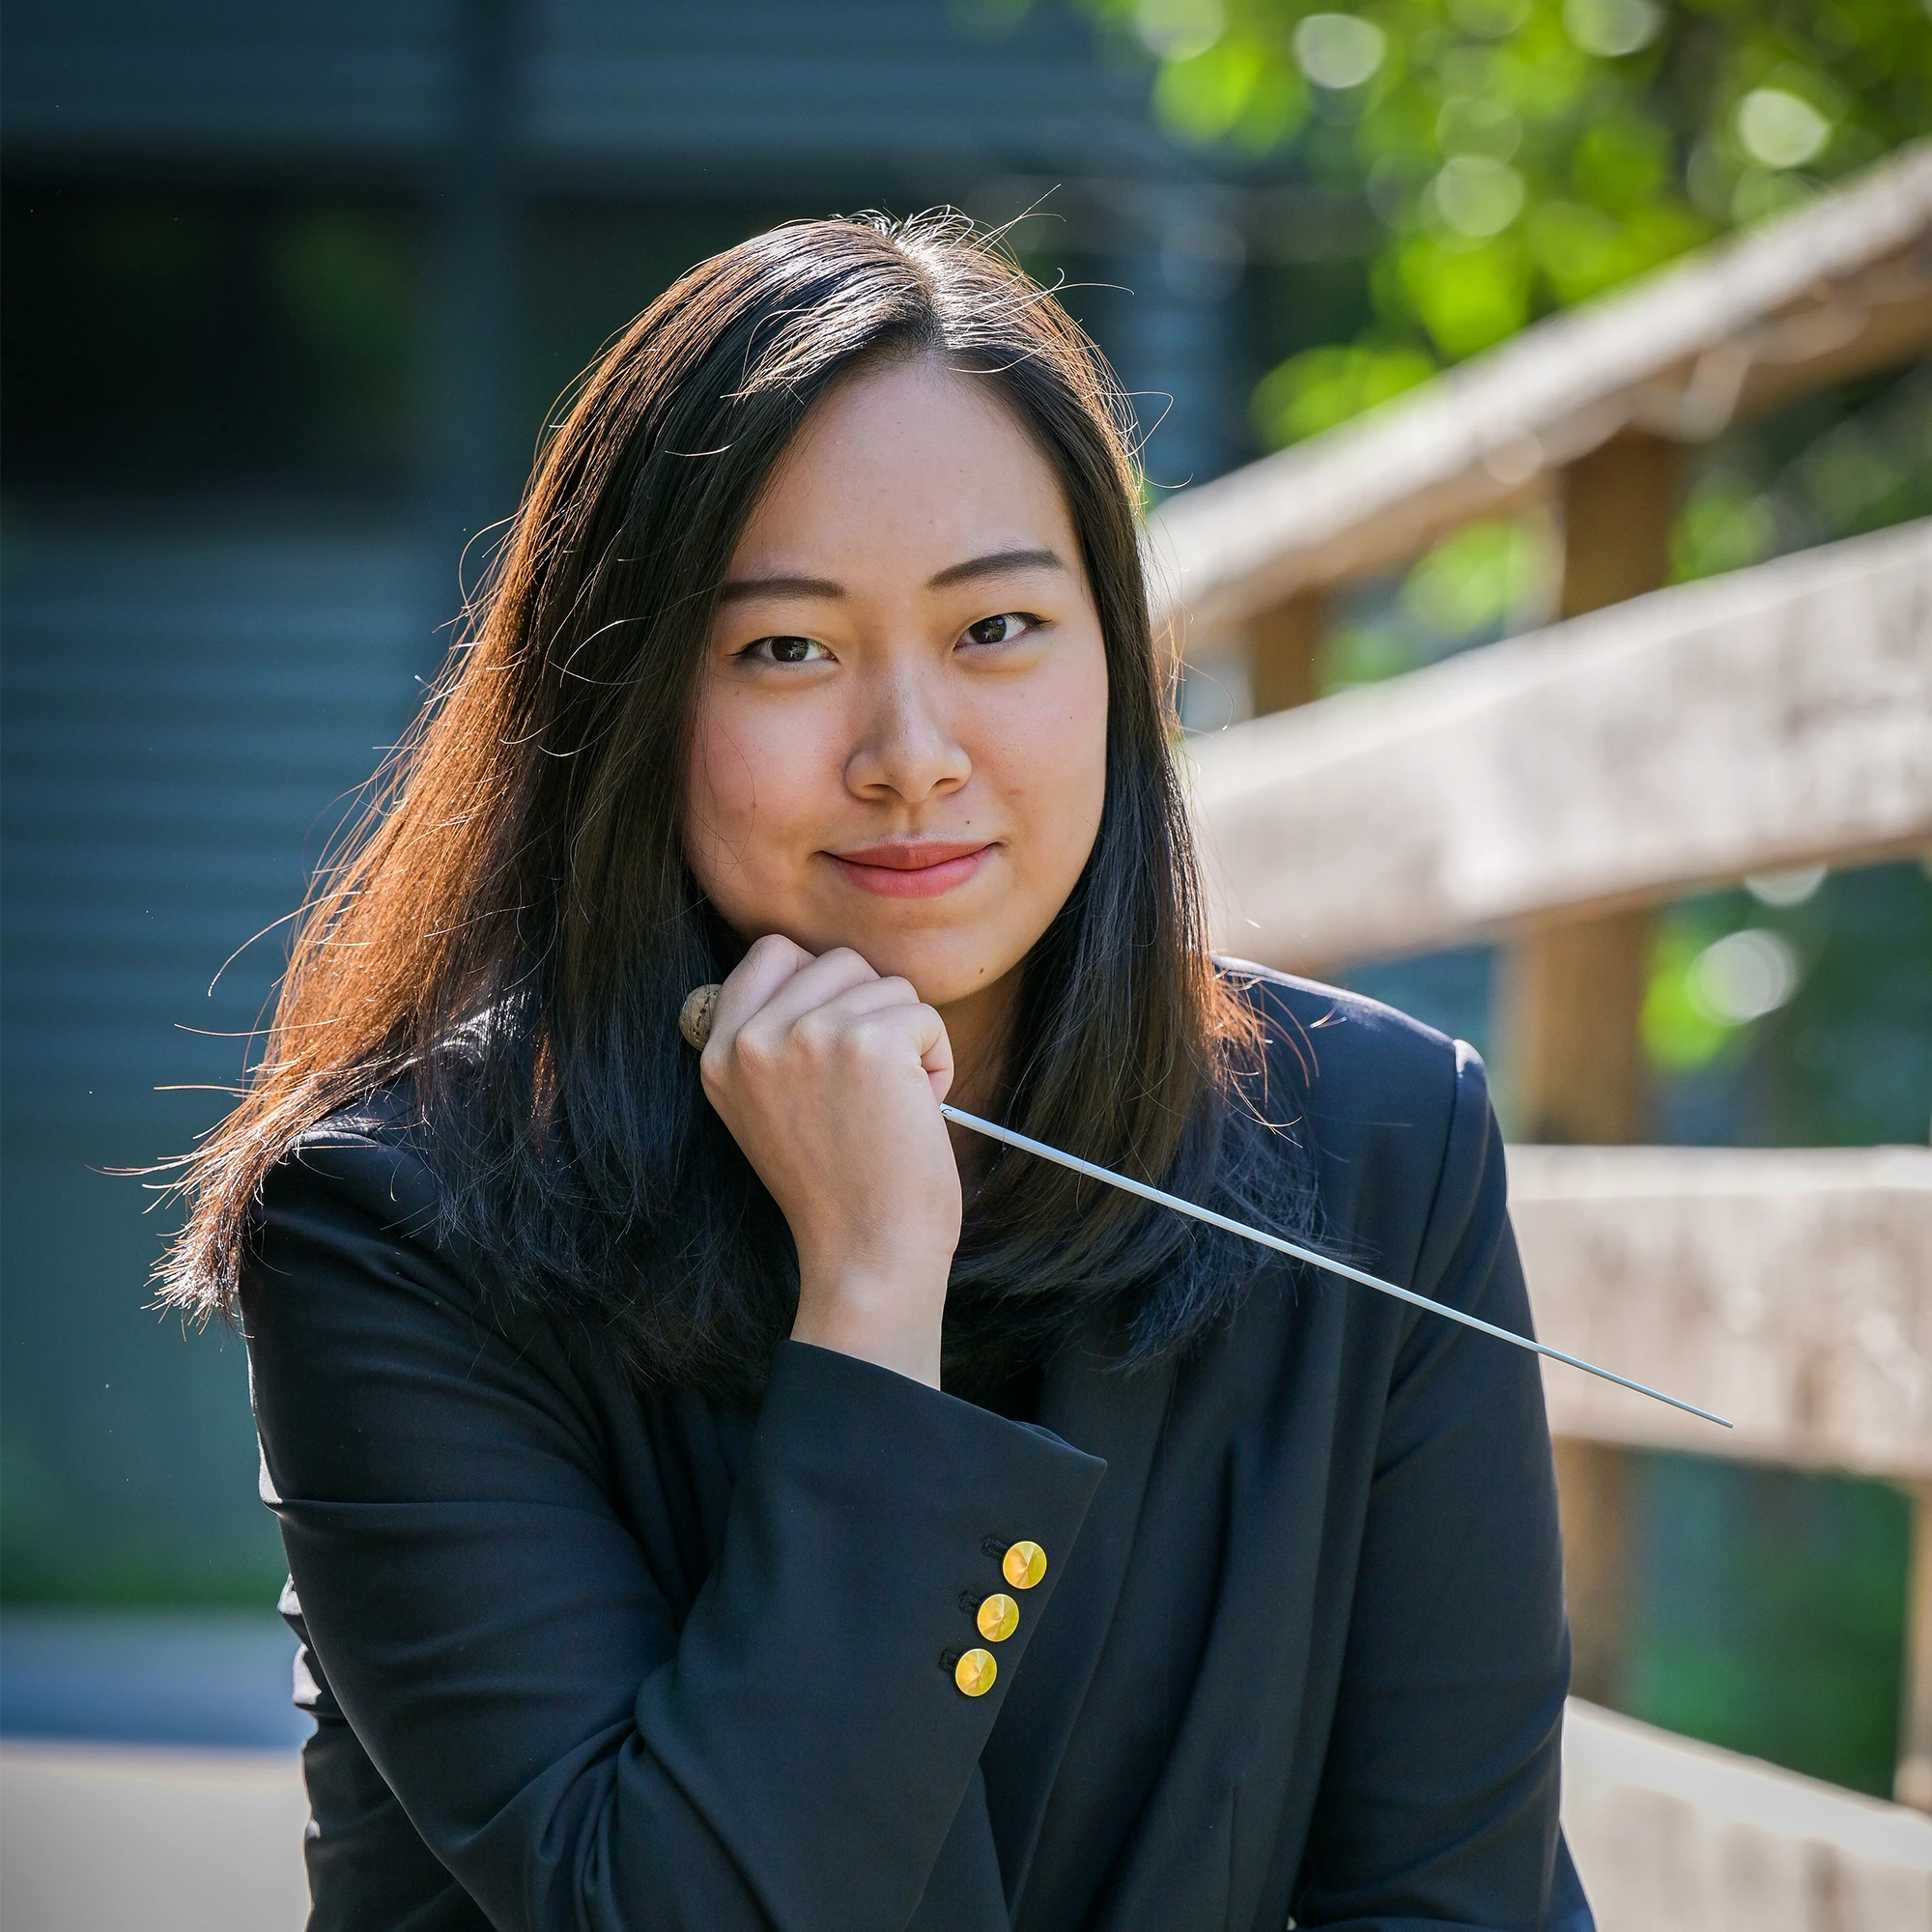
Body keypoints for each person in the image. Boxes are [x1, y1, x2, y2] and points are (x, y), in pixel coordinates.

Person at [163, 213, 1592, 1932]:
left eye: (997, 629)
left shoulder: (1377, 1147)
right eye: (787, 650)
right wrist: (867, 1286)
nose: (912, 758)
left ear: (1120, 672)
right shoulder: (399, 1222)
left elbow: (1452, 1901)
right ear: (625, 701)